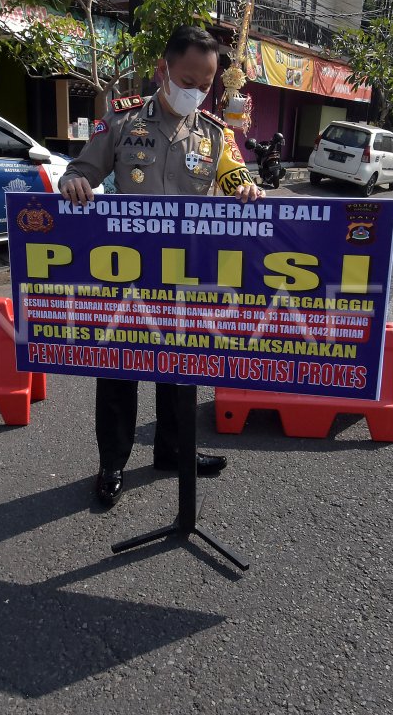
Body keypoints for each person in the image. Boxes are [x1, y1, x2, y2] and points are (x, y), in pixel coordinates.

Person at [57, 26, 265, 507]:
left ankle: (174, 452)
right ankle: (113, 463)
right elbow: (82, 170)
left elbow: (238, 180)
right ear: (163, 71)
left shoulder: (214, 135)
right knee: (118, 371)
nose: (195, 90)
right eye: (187, 79)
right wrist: (74, 184)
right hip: (124, 274)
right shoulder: (124, 122)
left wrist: (246, 190)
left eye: (206, 84)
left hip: (183, 277)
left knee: (181, 370)